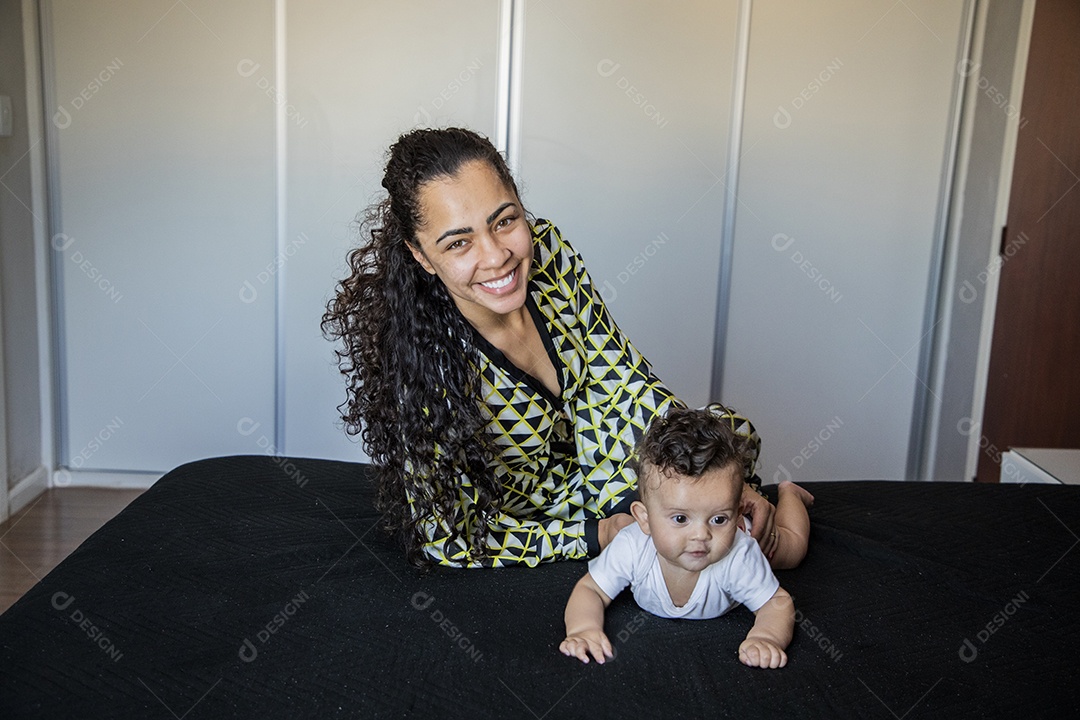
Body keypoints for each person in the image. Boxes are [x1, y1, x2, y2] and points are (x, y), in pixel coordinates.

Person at [322, 127, 777, 568]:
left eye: (505, 221)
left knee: (724, 433)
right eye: (459, 242)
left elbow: (622, 380)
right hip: (543, 512)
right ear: (421, 255)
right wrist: (597, 535)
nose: (497, 254)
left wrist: (712, 482)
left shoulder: (551, 256)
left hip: (611, 457)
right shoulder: (427, 363)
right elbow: (448, 536)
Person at [560, 405, 813, 669]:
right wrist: (583, 629)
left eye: (718, 519)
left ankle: (790, 494)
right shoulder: (632, 547)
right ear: (644, 519)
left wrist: (766, 637)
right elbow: (591, 589)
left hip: (746, 534)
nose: (701, 535)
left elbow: (777, 603)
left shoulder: (739, 555)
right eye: (680, 519)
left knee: (792, 549)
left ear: (737, 514)